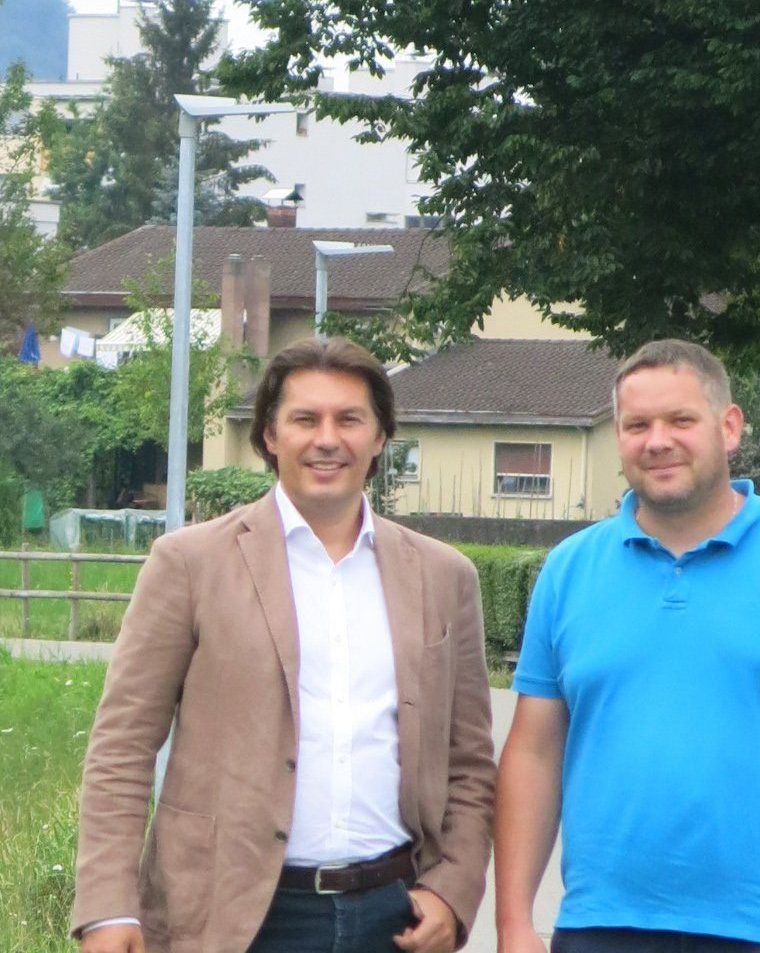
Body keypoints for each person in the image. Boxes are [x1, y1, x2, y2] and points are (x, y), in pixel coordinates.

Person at [72, 336, 496, 953]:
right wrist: (109, 908)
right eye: (305, 419)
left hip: (395, 918)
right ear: (270, 436)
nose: (328, 439)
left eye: (349, 419)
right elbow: (122, 747)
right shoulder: (190, 564)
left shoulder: (444, 575)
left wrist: (453, 889)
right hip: (232, 919)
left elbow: (470, 764)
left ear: (380, 438)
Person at [495, 340, 760, 953]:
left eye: (680, 420)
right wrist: (513, 925)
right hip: (603, 926)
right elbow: (532, 754)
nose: (657, 440)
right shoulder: (568, 571)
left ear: (729, 426)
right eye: (637, 425)